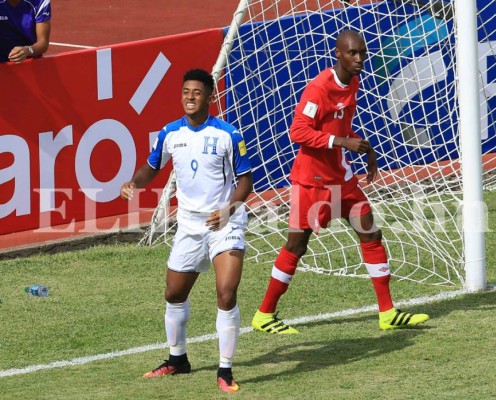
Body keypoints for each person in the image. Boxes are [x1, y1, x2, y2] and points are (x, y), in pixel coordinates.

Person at [251, 30, 429, 334]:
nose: (359, 59)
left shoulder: (354, 82)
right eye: (352, 54)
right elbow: (298, 132)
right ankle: (264, 314)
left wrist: (366, 150)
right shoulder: (319, 89)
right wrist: (341, 142)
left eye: (362, 53)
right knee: (297, 244)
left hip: (343, 179)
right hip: (312, 182)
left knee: (370, 231)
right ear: (338, 54)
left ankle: (387, 312)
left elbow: (342, 128)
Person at [121, 69, 253, 393]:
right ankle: (177, 359)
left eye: (196, 92)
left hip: (225, 222)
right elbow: (153, 165)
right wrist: (135, 182)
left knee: (226, 292)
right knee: (174, 293)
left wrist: (227, 210)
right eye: (185, 92)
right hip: (190, 225)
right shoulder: (169, 133)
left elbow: (246, 180)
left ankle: (225, 370)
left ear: (210, 97)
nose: (190, 98)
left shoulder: (229, 135)